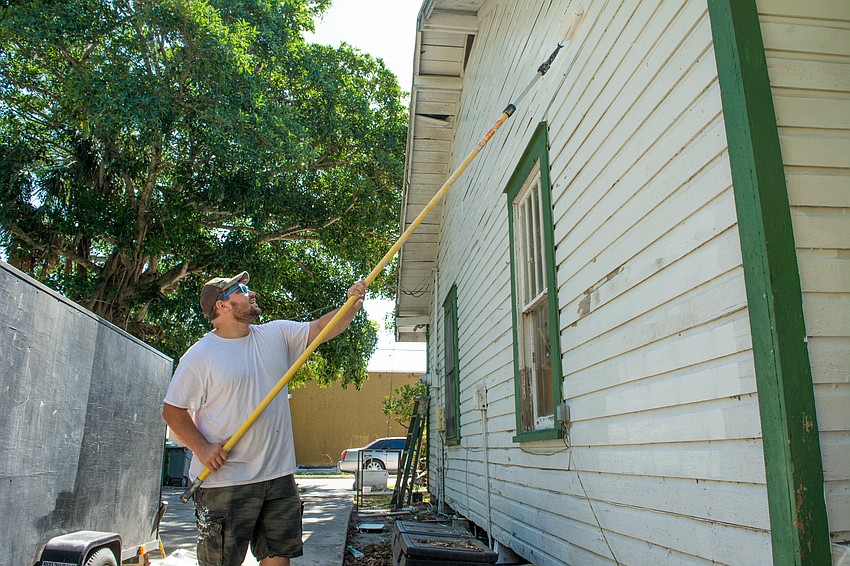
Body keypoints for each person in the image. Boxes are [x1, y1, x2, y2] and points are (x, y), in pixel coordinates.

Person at [162, 271, 366, 566]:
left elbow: (324, 327)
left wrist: (351, 305)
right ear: (222, 305)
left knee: (278, 558)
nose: (252, 293)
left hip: (277, 476)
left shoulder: (276, 334)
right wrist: (203, 448)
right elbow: (172, 411)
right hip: (226, 483)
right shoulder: (200, 356)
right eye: (242, 290)